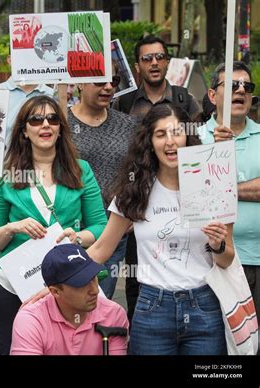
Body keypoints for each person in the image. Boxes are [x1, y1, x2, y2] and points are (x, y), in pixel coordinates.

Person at [87, 104, 234, 355]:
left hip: (204, 307)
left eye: (176, 132)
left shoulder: (213, 184)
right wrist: (52, 282)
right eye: (160, 134)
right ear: (149, 142)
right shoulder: (134, 191)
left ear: (187, 136)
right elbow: (101, 249)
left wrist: (218, 244)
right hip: (152, 309)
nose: (170, 142)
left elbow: (226, 259)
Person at [0, 95, 108, 354]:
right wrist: (12, 228)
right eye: (36, 120)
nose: (45, 125)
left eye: (52, 119)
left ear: (61, 128)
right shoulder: (4, 177)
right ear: (24, 131)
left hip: (69, 287)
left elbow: (100, 227)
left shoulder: (81, 170)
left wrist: (78, 237)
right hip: (15, 288)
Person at [112, 35, 202, 323]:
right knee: (138, 283)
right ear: (137, 65)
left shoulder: (184, 99)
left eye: (159, 57)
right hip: (139, 199)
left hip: (182, 195)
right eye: (147, 58)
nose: (154, 63)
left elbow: (202, 140)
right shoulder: (123, 102)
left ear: (167, 62)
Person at [68, 62, 137, 299]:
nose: (108, 87)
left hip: (112, 231)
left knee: (98, 302)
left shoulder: (127, 125)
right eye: (100, 81)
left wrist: (131, 212)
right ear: (79, 83)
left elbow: (140, 171)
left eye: (114, 81)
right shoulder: (61, 125)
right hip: (69, 229)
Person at [197, 61, 260, 320]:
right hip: (208, 262)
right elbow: (192, 194)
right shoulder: (195, 139)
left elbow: (207, 190)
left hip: (256, 263)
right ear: (213, 95)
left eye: (247, 86)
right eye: (233, 85)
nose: (241, 90)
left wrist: (220, 188)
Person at [10, 243, 128, 355]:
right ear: (55, 291)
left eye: (94, 277)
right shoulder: (30, 320)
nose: (95, 290)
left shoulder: (114, 314)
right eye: (82, 284)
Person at [0, 54, 54, 147]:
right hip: (5, 161)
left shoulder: (52, 96)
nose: (28, 60)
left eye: (32, 54)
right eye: (22, 54)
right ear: (10, 59)